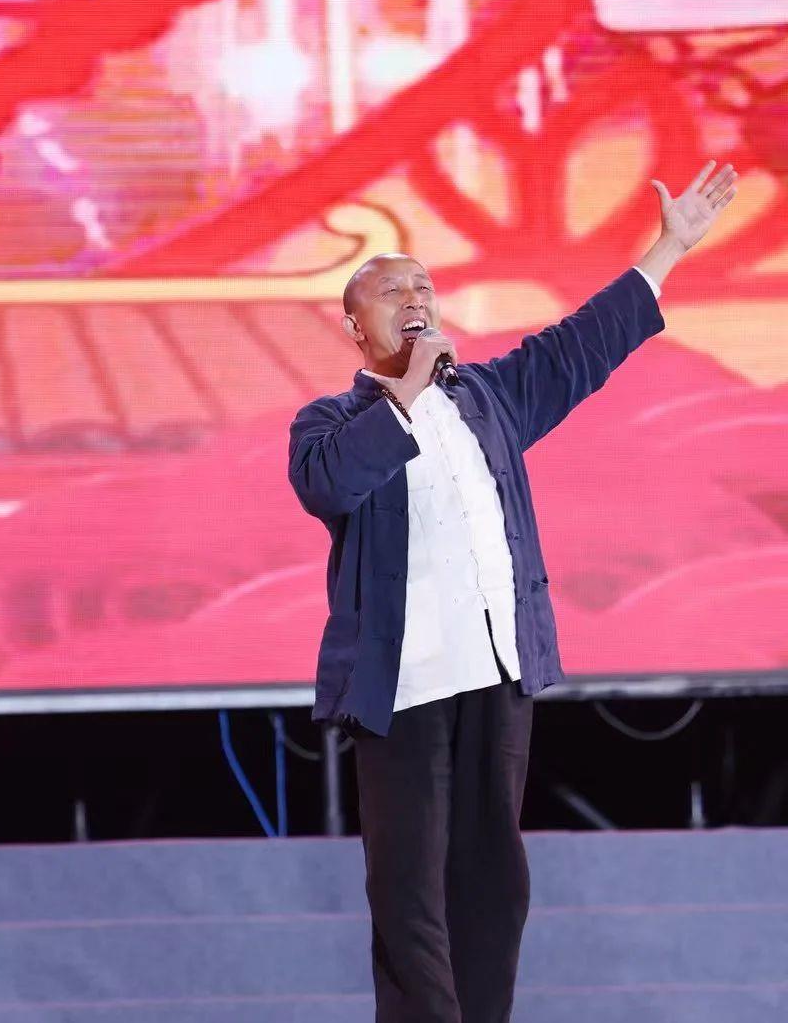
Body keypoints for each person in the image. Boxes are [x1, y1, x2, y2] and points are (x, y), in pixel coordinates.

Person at [287, 162, 737, 1021]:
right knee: (410, 894)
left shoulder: (488, 398)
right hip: (403, 687)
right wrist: (407, 394)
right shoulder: (330, 423)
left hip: (496, 673)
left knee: (494, 885)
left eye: (424, 285)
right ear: (353, 326)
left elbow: (580, 344)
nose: (415, 296)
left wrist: (667, 251)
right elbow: (330, 484)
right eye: (391, 290)